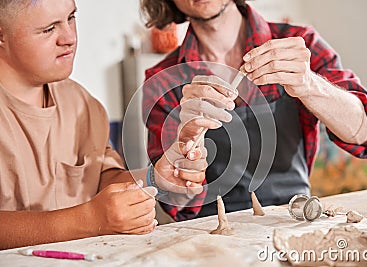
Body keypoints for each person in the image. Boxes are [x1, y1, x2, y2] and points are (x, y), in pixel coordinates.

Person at [140, 0, 367, 220]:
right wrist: (188, 138)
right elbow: (177, 203)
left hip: (295, 217)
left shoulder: (300, 44)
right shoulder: (163, 80)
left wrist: (308, 84)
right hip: (211, 234)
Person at [0, 0, 211, 250]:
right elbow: (91, 217)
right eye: (49, 29)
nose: (69, 38)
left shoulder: (83, 104)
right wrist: (88, 221)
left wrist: (155, 178)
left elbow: (103, 178)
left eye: (71, 18)